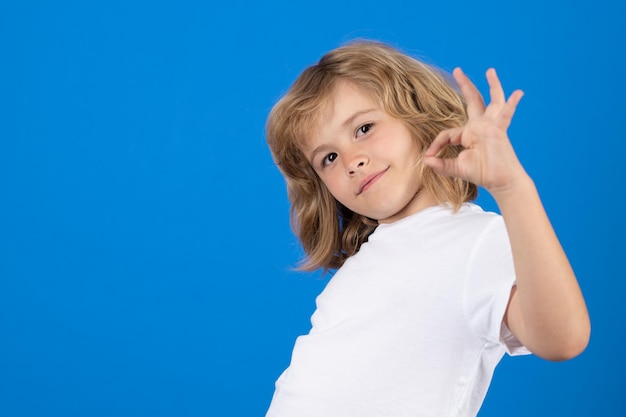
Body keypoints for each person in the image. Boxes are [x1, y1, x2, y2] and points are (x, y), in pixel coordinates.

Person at [264, 40, 590, 417]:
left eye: (364, 128)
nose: (352, 161)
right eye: (329, 158)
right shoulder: (362, 265)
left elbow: (562, 338)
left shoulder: (475, 239)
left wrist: (512, 187)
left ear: (418, 115)